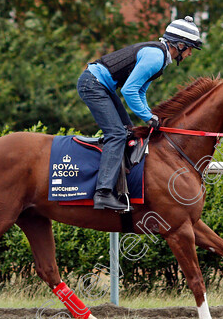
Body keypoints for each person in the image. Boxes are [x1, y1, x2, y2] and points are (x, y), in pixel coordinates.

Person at [77, 16, 203, 211]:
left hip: (101, 85)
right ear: (179, 45)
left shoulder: (160, 58)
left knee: (128, 131)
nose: (190, 54)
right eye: (190, 49)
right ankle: (102, 193)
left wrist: (150, 115)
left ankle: (120, 184)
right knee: (117, 134)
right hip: (93, 85)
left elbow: (140, 91)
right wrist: (149, 117)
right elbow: (129, 90)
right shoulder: (155, 57)